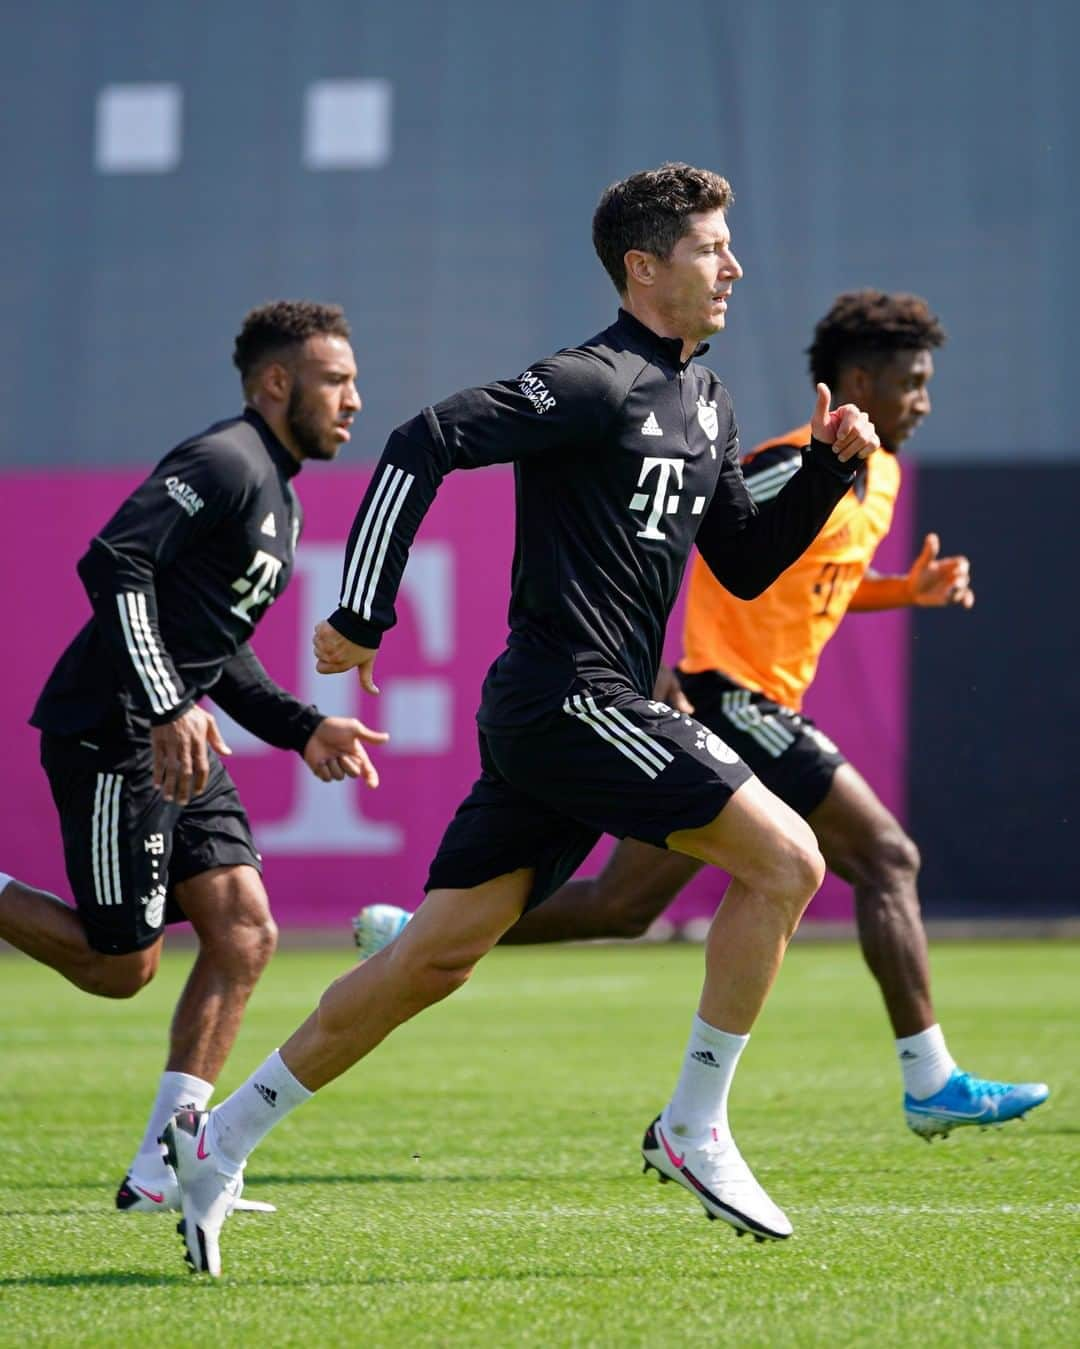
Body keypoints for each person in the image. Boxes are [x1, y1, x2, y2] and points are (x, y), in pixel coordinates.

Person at [162, 162, 880, 1277]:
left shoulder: (709, 399)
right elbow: (419, 442)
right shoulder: (590, 381)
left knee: (432, 959)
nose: (734, 265)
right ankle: (692, 1126)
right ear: (645, 267)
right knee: (788, 859)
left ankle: (218, 1140)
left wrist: (827, 476)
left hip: (577, 714)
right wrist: (361, 613)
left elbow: (739, 562)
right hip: (571, 696)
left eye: (730, 246)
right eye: (710, 247)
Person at [355, 290, 1049, 1140]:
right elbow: (693, 544)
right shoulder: (792, 457)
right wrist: (663, 670)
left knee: (623, 909)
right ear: (862, 379)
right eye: (913, 382)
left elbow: (810, 580)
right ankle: (929, 1077)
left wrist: (905, 592)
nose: (924, 400)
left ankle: (418, 935)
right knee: (888, 856)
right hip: (725, 695)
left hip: (752, 699)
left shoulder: (883, 473)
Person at [0, 300, 386, 1216]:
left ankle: (163, 1168)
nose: (355, 400)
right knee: (117, 966)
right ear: (276, 383)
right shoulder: (224, 460)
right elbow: (113, 565)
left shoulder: (280, 496)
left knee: (245, 932)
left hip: (179, 737)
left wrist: (303, 727)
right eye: (336, 380)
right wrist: (168, 701)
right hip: (113, 732)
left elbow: (219, 646)